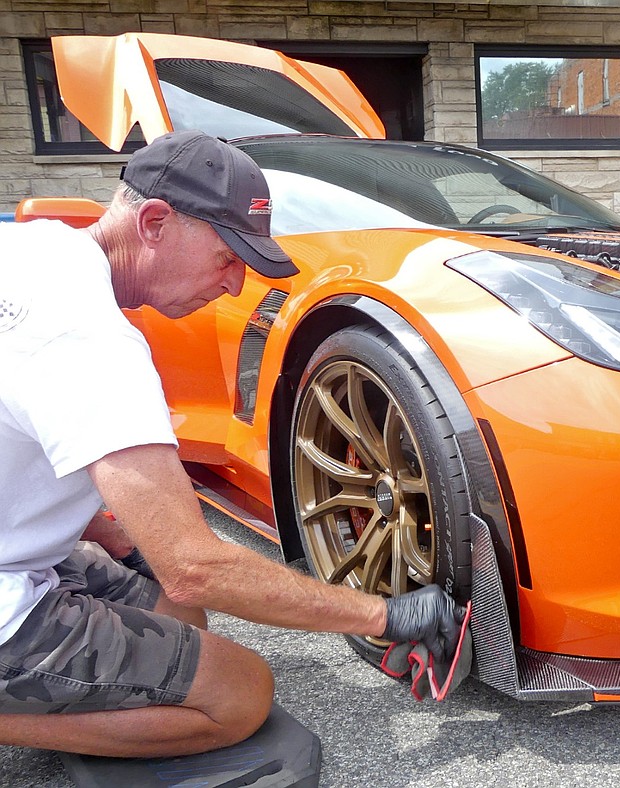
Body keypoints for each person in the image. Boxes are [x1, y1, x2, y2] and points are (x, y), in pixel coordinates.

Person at [0, 130, 463, 758]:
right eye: (227, 257)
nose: (234, 283)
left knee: (177, 616)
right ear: (156, 222)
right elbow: (196, 569)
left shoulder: (32, 249)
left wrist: (113, 531)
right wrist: (384, 617)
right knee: (240, 695)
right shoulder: (88, 341)